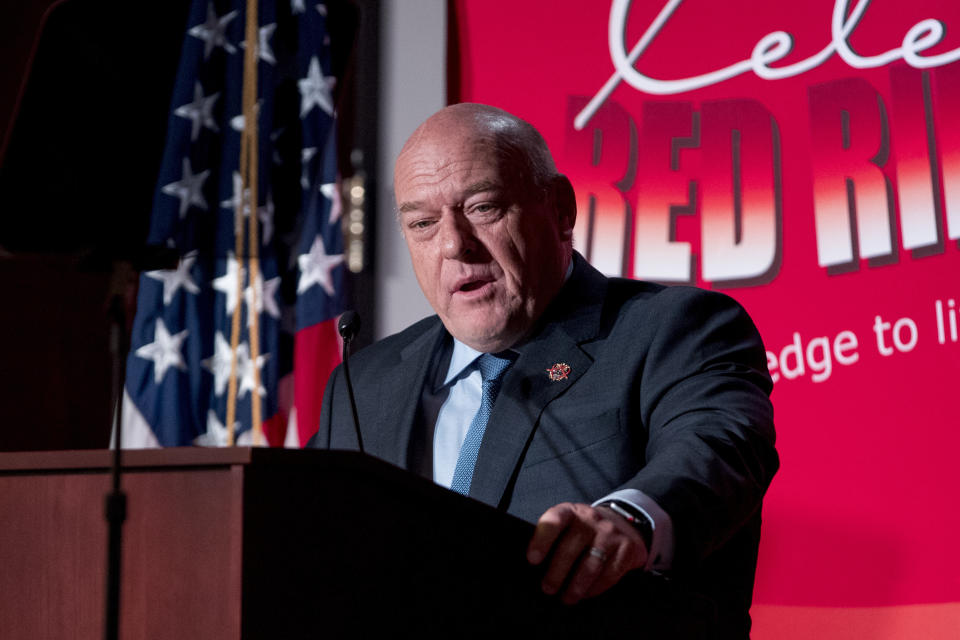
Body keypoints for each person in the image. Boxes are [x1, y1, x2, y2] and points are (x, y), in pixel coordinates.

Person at [309, 103, 778, 636]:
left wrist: (630, 519)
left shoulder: (672, 330)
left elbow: (719, 446)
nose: (453, 245)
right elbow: (295, 531)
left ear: (560, 209)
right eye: (422, 223)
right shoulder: (364, 381)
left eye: (483, 208)